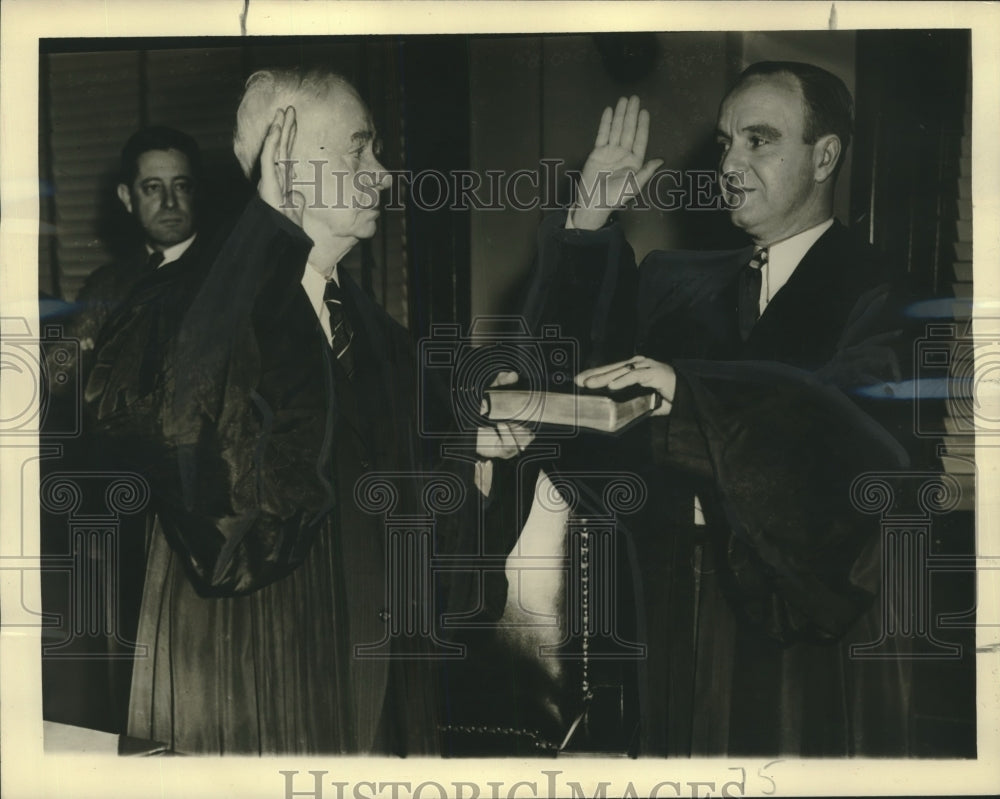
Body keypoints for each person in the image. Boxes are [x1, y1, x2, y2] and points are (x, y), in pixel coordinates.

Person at [487, 61, 914, 757]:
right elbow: (569, 375)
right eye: (725, 142)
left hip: (806, 619)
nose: (731, 163)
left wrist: (691, 393)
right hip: (674, 605)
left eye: (759, 140)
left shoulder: (881, 287)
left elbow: (854, 442)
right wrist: (589, 216)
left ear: (824, 156)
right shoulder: (673, 282)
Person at [85, 68, 450, 755]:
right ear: (288, 164)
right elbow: (187, 445)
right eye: (359, 151)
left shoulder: (378, 333)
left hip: (373, 686)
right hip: (251, 672)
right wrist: (264, 236)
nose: (382, 175)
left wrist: (481, 442)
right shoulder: (179, 304)